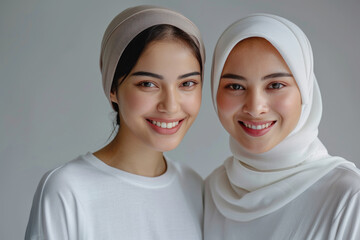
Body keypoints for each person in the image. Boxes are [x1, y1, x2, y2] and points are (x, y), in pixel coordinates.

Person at [25, 5, 205, 240]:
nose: (170, 105)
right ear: (112, 88)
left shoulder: (195, 187)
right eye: (148, 84)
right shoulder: (67, 190)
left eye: (187, 83)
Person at [204, 14, 360, 239]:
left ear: (305, 91)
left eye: (275, 85)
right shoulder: (211, 192)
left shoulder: (348, 197)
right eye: (235, 86)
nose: (255, 108)